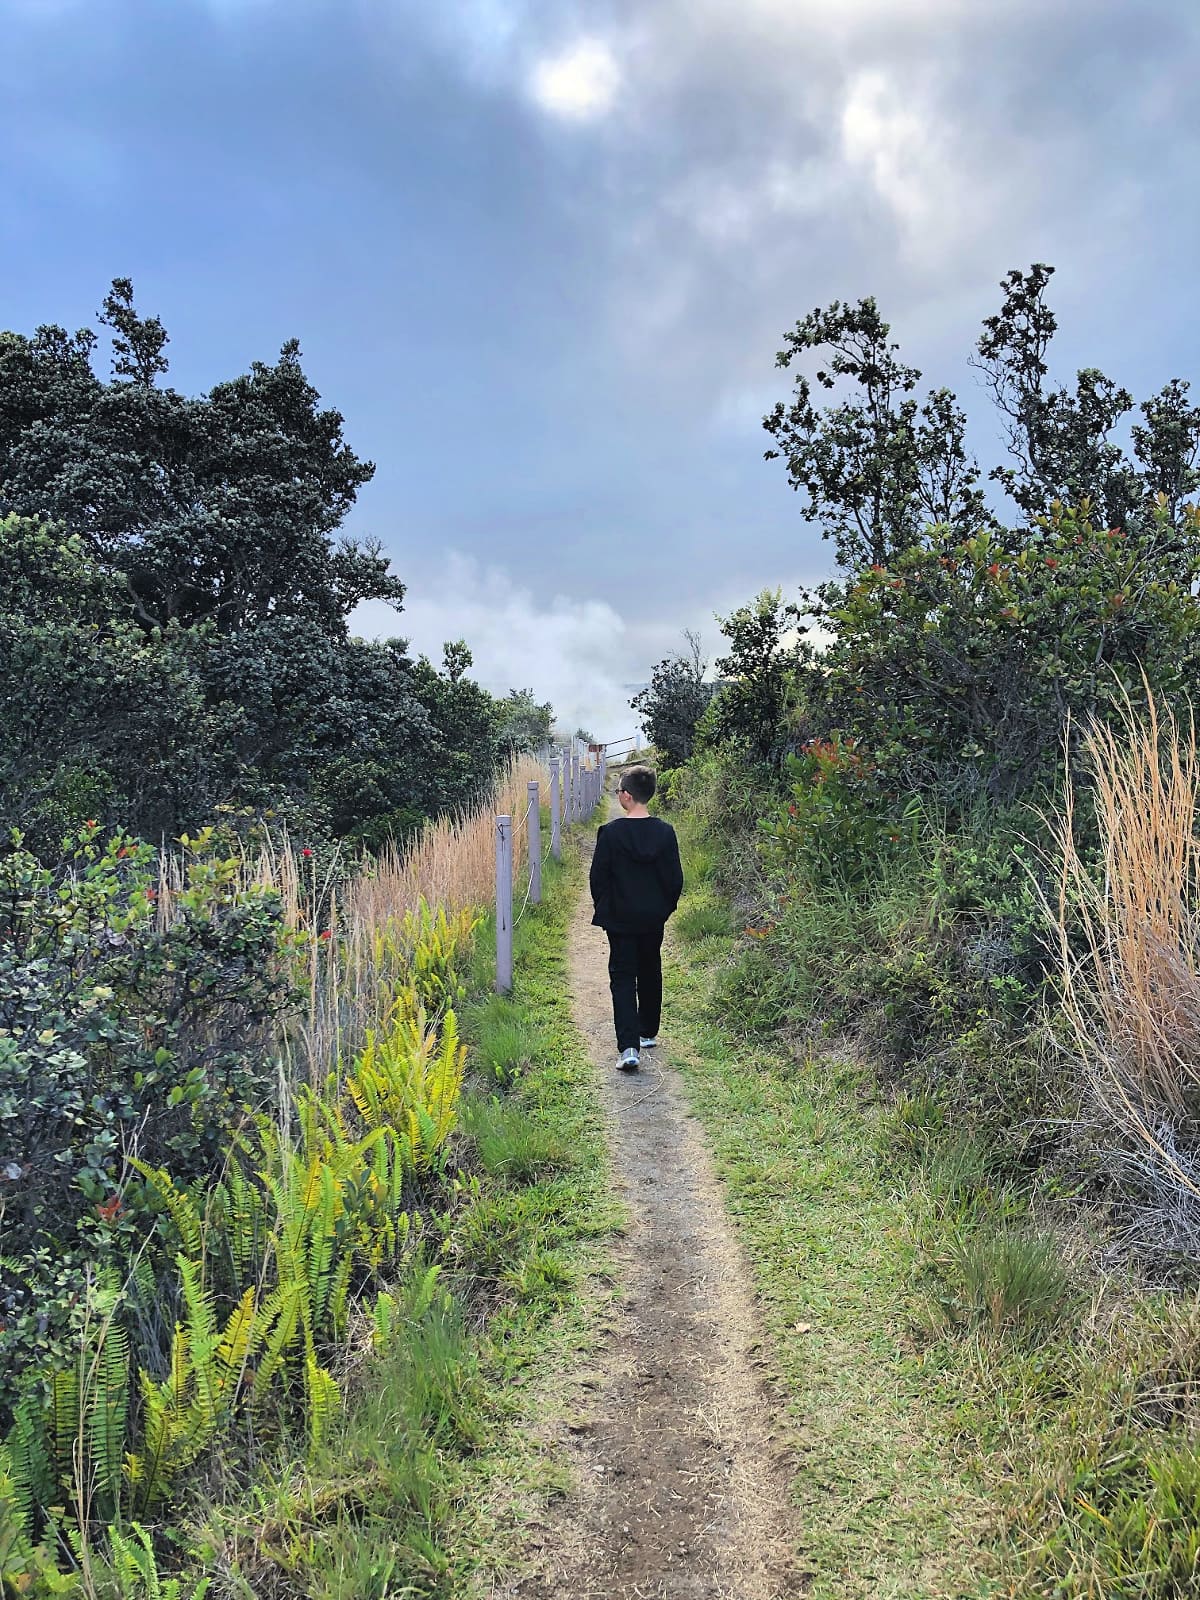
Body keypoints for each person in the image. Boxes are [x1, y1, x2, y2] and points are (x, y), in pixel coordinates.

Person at [589, 764, 684, 1072]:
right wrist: (663, 909)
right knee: (650, 967)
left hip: (620, 918)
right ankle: (647, 1032)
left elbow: (598, 878)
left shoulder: (611, 833)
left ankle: (628, 1046)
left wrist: (606, 907)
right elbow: (674, 879)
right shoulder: (666, 832)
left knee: (623, 975)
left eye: (619, 792)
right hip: (653, 917)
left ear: (626, 796)